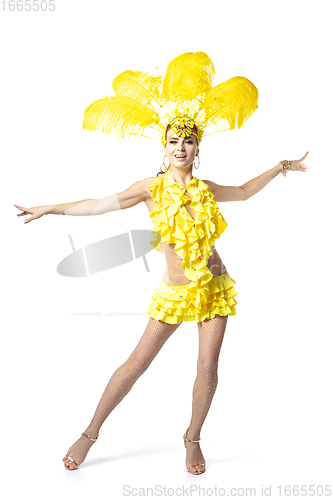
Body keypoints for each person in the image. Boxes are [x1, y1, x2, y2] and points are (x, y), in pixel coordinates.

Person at [14, 51, 309, 475]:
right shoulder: (150, 189)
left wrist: (284, 166)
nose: (181, 147)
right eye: (174, 141)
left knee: (208, 367)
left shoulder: (205, 189)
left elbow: (244, 191)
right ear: (165, 146)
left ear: (197, 146)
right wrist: (52, 208)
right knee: (135, 365)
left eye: (188, 141)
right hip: (175, 293)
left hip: (214, 289)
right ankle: (90, 432)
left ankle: (192, 439)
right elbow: (100, 204)